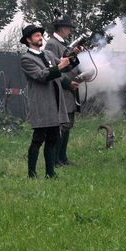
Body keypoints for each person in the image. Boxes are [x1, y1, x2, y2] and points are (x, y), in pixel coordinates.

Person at [20, 24, 79, 178]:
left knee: (53, 139)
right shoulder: (26, 59)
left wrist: (73, 56)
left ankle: (50, 173)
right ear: (28, 40)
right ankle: (32, 174)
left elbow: (65, 67)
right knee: (38, 139)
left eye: (40, 35)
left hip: (55, 102)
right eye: (36, 35)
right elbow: (41, 75)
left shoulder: (48, 54)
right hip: (41, 104)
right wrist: (60, 66)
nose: (40, 37)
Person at [44, 11, 81, 167]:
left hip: (68, 89)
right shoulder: (52, 44)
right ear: (61, 28)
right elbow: (53, 69)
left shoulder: (64, 44)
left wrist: (74, 55)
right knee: (61, 126)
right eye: (68, 28)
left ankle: (62, 157)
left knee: (68, 124)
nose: (70, 31)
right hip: (61, 88)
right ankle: (56, 160)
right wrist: (68, 83)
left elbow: (68, 65)